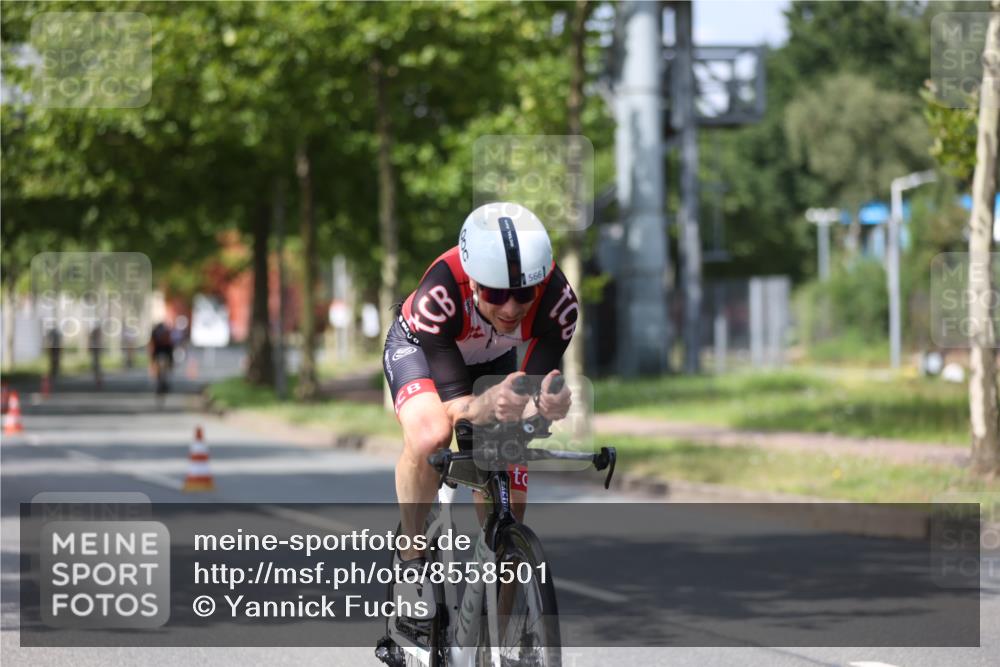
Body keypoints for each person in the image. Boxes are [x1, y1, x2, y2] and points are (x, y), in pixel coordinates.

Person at [382, 202, 578, 613]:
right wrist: (485, 404)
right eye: (494, 294)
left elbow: (533, 390)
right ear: (472, 282)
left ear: (539, 283)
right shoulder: (440, 293)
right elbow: (456, 410)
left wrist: (548, 404)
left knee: (510, 493)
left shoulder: (559, 304)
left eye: (523, 294)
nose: (510, 308)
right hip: (422, 348)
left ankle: (496, 632)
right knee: (432, 434)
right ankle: (411, 554)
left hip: (491, 360)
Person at [148, 322, 174, 395]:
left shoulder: (155, 332)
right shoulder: (166, 332)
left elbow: (151, 345)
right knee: (163, 368)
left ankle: (160, 381)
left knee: (159, 368)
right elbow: (170, 345)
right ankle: (162, 381)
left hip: (160, 351)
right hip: (164, 351)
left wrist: (151, 358)